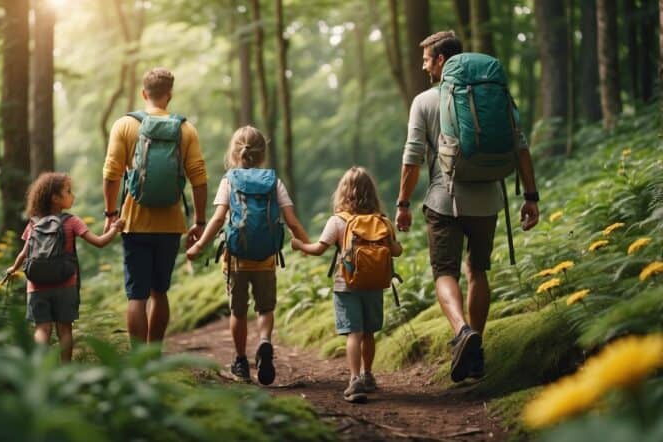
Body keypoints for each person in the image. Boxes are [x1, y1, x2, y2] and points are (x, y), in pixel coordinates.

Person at [394, 31, 540, 382]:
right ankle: (476, 355)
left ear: (442, 60)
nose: (423, 64)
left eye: (427, 58)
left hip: (445, 200)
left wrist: (402, 203)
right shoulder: (493, 95)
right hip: (489, 199)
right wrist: (531, 197)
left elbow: (412, 158)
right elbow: (520, 147)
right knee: (478, 271)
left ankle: (462, 332)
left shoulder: (425, 101)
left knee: (445, 271)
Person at [186, 126, 310, 385]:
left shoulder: (229, 180)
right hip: (265, 259)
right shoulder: (273, 181)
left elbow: (219, 219)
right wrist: (310, 245)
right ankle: (264, 340)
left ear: (234, 152)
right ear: (262, 153)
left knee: (238, 312)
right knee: (265, 308)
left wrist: (199, 247)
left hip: (236, 259)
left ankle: (241, 362)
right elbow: (291, 221)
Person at [102, 67, 208, 345]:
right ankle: (154, 355)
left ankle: (139, 364)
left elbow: (112, 174)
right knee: (159, 292)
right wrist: (199, 221)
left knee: (136, 295)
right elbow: (199, 178)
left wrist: (111, 213)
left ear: (143, 93)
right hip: (171, 224)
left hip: (133, 222)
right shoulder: (185, 129)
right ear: (169, 95)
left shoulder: (124, 125)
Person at [291, 166, 402, 403]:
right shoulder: (382, 221)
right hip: (375, 284)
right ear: (372, 193)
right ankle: (368, 374)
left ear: (343, 192)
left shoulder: (338, 221)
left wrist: (299, 245)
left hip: (347, 286)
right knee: (369, 333)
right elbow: (397, 251)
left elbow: (318, 249)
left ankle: (354, 380)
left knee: (354, 333)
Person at [6, 172, 125, 362]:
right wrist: (115, 228)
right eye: (68, 191)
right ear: (55, 198)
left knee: (42, 328)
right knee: (64, 329)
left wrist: (13, 269)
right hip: (65, 284)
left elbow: (24, 253)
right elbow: (100, 242)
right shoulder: (71, 221)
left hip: (36, 286)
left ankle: (40, 370)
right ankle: (66, 370)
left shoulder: (33, 224)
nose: (73, 195)